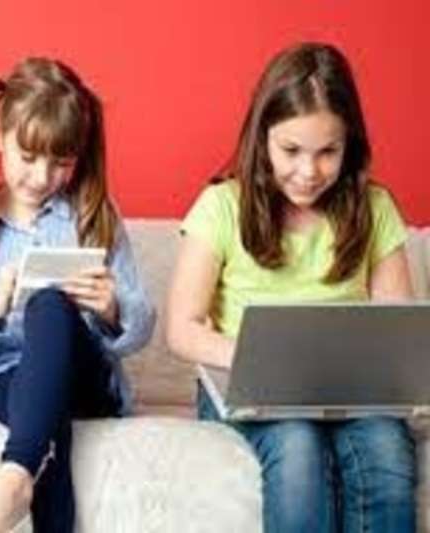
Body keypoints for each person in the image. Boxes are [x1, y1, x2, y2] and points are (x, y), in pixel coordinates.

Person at [166, 42, 416, 532]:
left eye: (328, 152)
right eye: (291, 151)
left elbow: (396, 330)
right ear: (262, 138)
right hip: (247, 382)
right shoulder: (221, 207)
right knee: (298, 447)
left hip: (349, 388)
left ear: (350, 146)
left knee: (387, 450)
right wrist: (257, 356)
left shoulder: (375, 208)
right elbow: (182, 329)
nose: (308, 171)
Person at [0, 57, 155, 533]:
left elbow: (144, 326)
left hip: (86, 378)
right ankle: (21, 475)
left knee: (48, 304)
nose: (43, 178)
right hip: (5, 380)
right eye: (29, 157)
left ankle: (11, 480)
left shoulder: (94, 218)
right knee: (42, 415)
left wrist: (112, 309)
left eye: (61, 163)